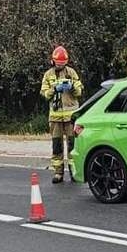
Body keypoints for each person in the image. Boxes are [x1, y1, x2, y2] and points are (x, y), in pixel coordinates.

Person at [40, 46, 83, 184]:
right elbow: (45, 94)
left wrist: (72, 87)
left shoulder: (71, 73)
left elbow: (80, 91)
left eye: (63, 63)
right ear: (53, 61)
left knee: (73, 146)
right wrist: (54, 89)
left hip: (71, 117)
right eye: (58, 63)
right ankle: (58, 173)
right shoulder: (48, 75)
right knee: (57, 146)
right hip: (55, 117)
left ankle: (74, 171)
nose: (61, 66)